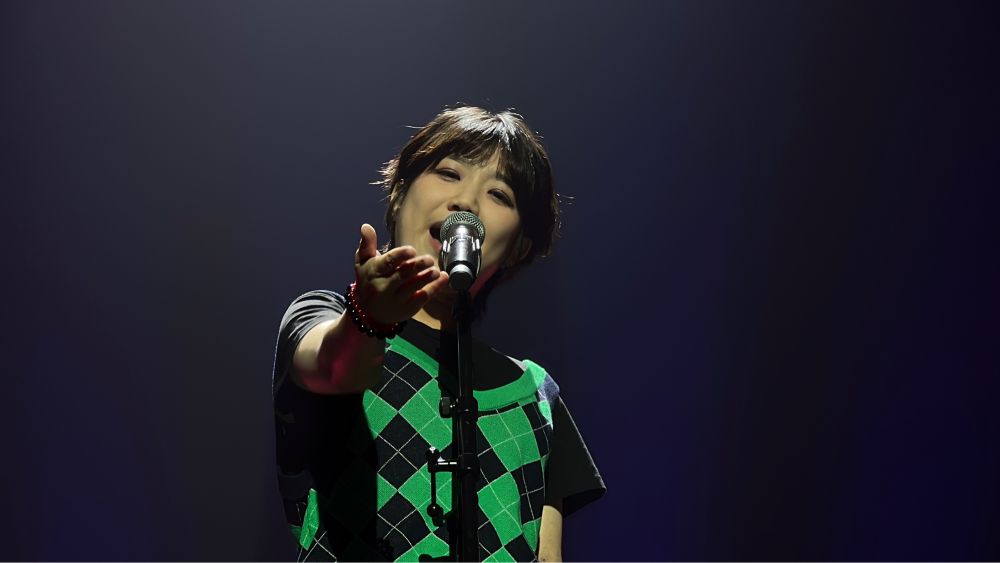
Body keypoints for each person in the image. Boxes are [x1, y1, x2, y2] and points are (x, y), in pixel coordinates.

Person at [271, 106, 605, 562]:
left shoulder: (536, 394)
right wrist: (369, 317)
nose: (466, 203)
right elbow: (335, 367)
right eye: (449, 173)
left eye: (499, 194)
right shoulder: (323, 316)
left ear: (518, 248)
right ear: (397, 197)